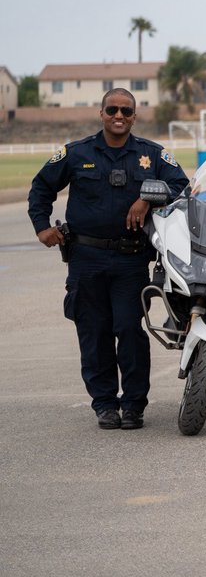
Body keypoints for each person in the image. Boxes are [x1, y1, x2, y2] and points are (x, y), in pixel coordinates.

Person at [28, 89, 189, 430]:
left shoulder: (152, 155)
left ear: (134, 116)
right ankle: (104, 404)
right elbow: (41, 187)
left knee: (129, 330)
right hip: (85, 258)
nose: (119, 115)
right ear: (101, 113)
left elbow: (181, 186)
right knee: (94, 333)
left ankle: (133, 405)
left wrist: (147, 198)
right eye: (112, 109)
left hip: (131, 260)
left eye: (126, 111)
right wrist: (42, 227)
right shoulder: (76, 153)